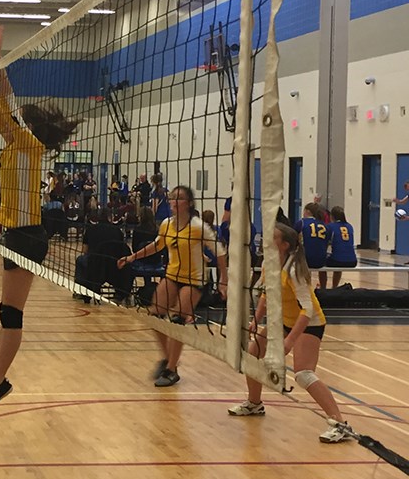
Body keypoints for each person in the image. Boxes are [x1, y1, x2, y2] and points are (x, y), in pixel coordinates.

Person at [0, 26, 81, 415]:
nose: (16, 121)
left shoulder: (28, 144)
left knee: (11, 315)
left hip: (28, 236)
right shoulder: (20, 144)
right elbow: (4, 107)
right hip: (17, 234)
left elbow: (5, 107)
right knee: (7, 315)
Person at [228, 222, 353, 444]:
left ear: (285, 245)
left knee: (303, 374)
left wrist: (289, 341)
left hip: (308, 323)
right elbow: (267, 296)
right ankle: (254, 403)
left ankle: (340, 424)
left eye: (272, 237)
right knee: (252, 355)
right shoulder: (269, 263)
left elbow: (308, 310)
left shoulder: (294, 271)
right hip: (282, 319)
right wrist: (254, 323)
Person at [117, 185, 228, 387]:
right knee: (154, 314)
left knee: (177, 320)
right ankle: (169, 360)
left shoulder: (198, 226)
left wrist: (223, 280)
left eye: (179, 198)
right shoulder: (167, 224)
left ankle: (171, 370)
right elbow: (157, 245)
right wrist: (132, 257)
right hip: (172, 275)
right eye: (172, 198)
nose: (173, 201)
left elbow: (220, 251)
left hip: (195, 280)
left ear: (189, 203)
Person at [295, 203, 330, 289]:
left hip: (306, 259)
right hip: (321, 260)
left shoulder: (302, 223)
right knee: (322, 260)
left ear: (307, 211)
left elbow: (293, 239)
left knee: (301, 254)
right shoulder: (325, 225)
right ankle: (323, 288)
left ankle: (306, 286)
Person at [325, 206, 357, 288]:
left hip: (337, 260)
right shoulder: (349, 226)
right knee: (338, 259)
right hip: (353, 261)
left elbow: (325, 242)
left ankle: (323, 288)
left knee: (321, 263)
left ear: (332, 216)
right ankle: (334, 287)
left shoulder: (331, 226)